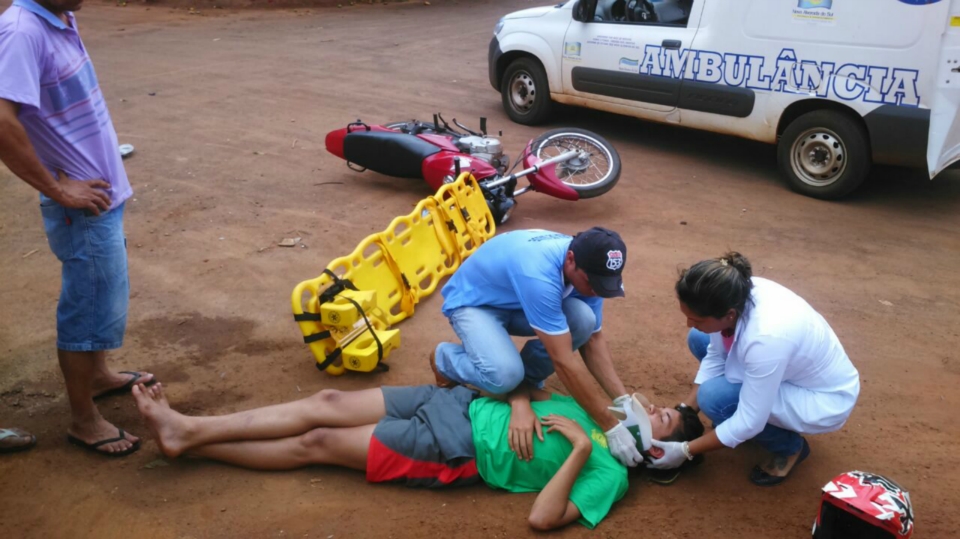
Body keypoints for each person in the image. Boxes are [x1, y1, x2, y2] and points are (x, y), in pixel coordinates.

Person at [132, 381, 703, 530]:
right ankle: (191, 429)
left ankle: (189, 440)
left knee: (317, 444)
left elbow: (542, 518)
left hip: (453, 450)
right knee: (327, 402)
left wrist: (579, 447)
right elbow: (527, 383)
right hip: (456, 402)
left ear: (658, 452)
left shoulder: (610, 476)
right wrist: (520, 403)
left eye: (662, 418)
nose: (652, 408)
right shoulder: (601, 413)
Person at [0, 0, 154, 456]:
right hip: (81, 210)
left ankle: (99, 375)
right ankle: (84, 420)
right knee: (87, 306)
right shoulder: (22, 32)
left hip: (100, 196)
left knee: (102, 297)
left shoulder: (61, 16)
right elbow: (2, 121)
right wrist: (57, 188)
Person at [431, 227, 644, 468]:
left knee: (584, 319)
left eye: (604, 284)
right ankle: (445, 359)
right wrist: (610, 425)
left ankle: (526, 384)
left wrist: (623, 400)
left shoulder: (588, 262)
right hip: (476, 304)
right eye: (592, 282)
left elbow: (593, 339)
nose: (596, 291)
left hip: (516, 300)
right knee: (504, 376)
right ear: (570, 260)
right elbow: (562, 360)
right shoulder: (538, 272)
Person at [648, 252, 861, 486]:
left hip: (821, 398)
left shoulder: (766, 338)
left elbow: (750, 421)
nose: (689, 323)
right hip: (785, 370)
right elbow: (716, 355)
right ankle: (734, 412)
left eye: (697, 319)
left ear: (729, 315)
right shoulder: (732, 292)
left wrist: (685, 450)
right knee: (698, 338)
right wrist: (686, 410)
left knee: (714, 398)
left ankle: (790, 449)